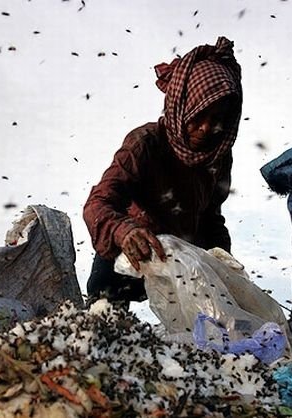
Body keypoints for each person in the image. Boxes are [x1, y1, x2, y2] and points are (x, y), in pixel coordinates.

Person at [83, 36, 243, 305]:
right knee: (104, 317)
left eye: (217, 119)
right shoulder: (144, 144)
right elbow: (98, 203)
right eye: (199, 115)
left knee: (202, 334)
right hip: (131, 254)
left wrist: (224, 265)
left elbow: (212, 218)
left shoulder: (218, 158)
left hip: (183, 263)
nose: (206, 128)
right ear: (182, 107)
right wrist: (125, 232)